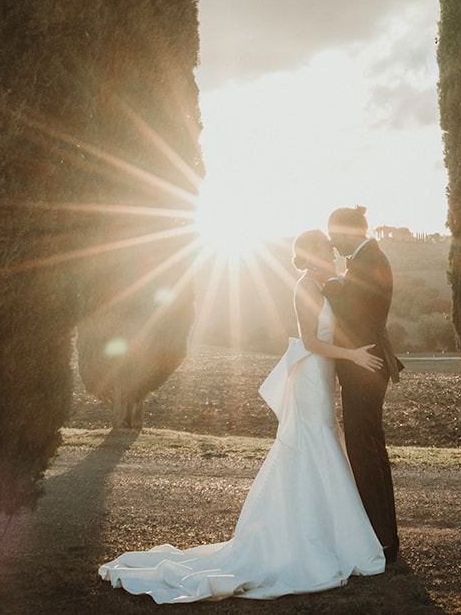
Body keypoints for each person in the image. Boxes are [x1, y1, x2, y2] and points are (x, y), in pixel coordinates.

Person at [98, 230, 386, 603]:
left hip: (322, 376)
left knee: (322, 441)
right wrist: (354, 356)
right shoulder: (305, 287)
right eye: (324, 247)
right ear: (310, 254)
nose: (331, 249)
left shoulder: (323, 283)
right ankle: (314, 539)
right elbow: (312, 342)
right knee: (316, 442)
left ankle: (329, 534)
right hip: (312, 375)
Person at [322, 205, 403, 563]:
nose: (330, 240)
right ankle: (384, 536)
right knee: (370, 450)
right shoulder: (366, 258)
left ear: (350, 232)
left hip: (365, 368)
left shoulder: (368, 260)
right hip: (366, 367)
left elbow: (353, 310)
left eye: (333, 233)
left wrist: (325, 284)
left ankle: (380, 540)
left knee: (363, 450)